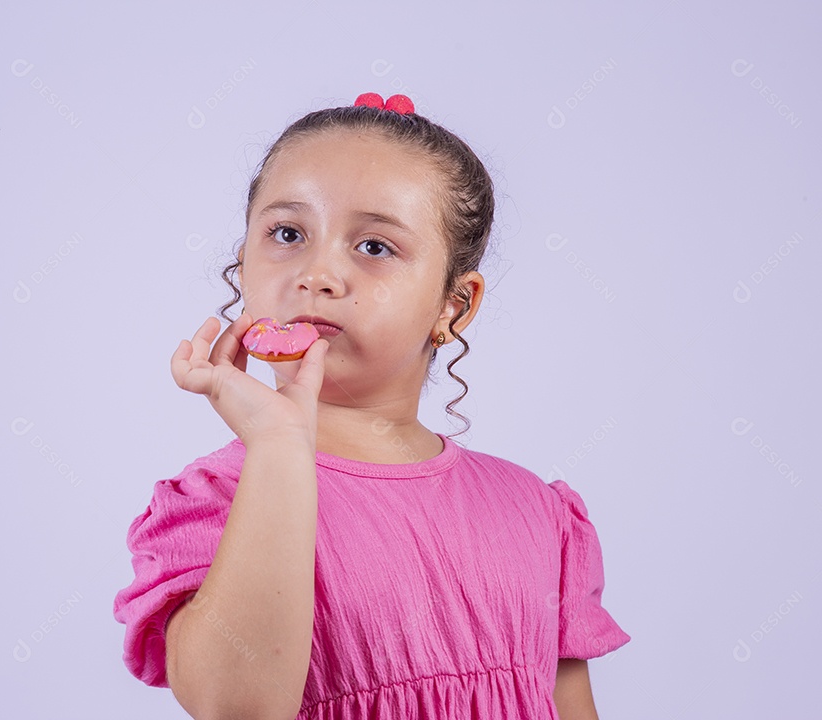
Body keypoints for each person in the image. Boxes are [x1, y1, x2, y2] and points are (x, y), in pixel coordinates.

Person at [113, 91, 631, 720]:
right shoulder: (215, 502)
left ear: (454, 306)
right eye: (287, 234)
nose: (318, 274)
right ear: (242, 264)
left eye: (375, 247)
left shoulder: (539, 513)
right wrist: (279, 445)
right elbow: (239, 707)